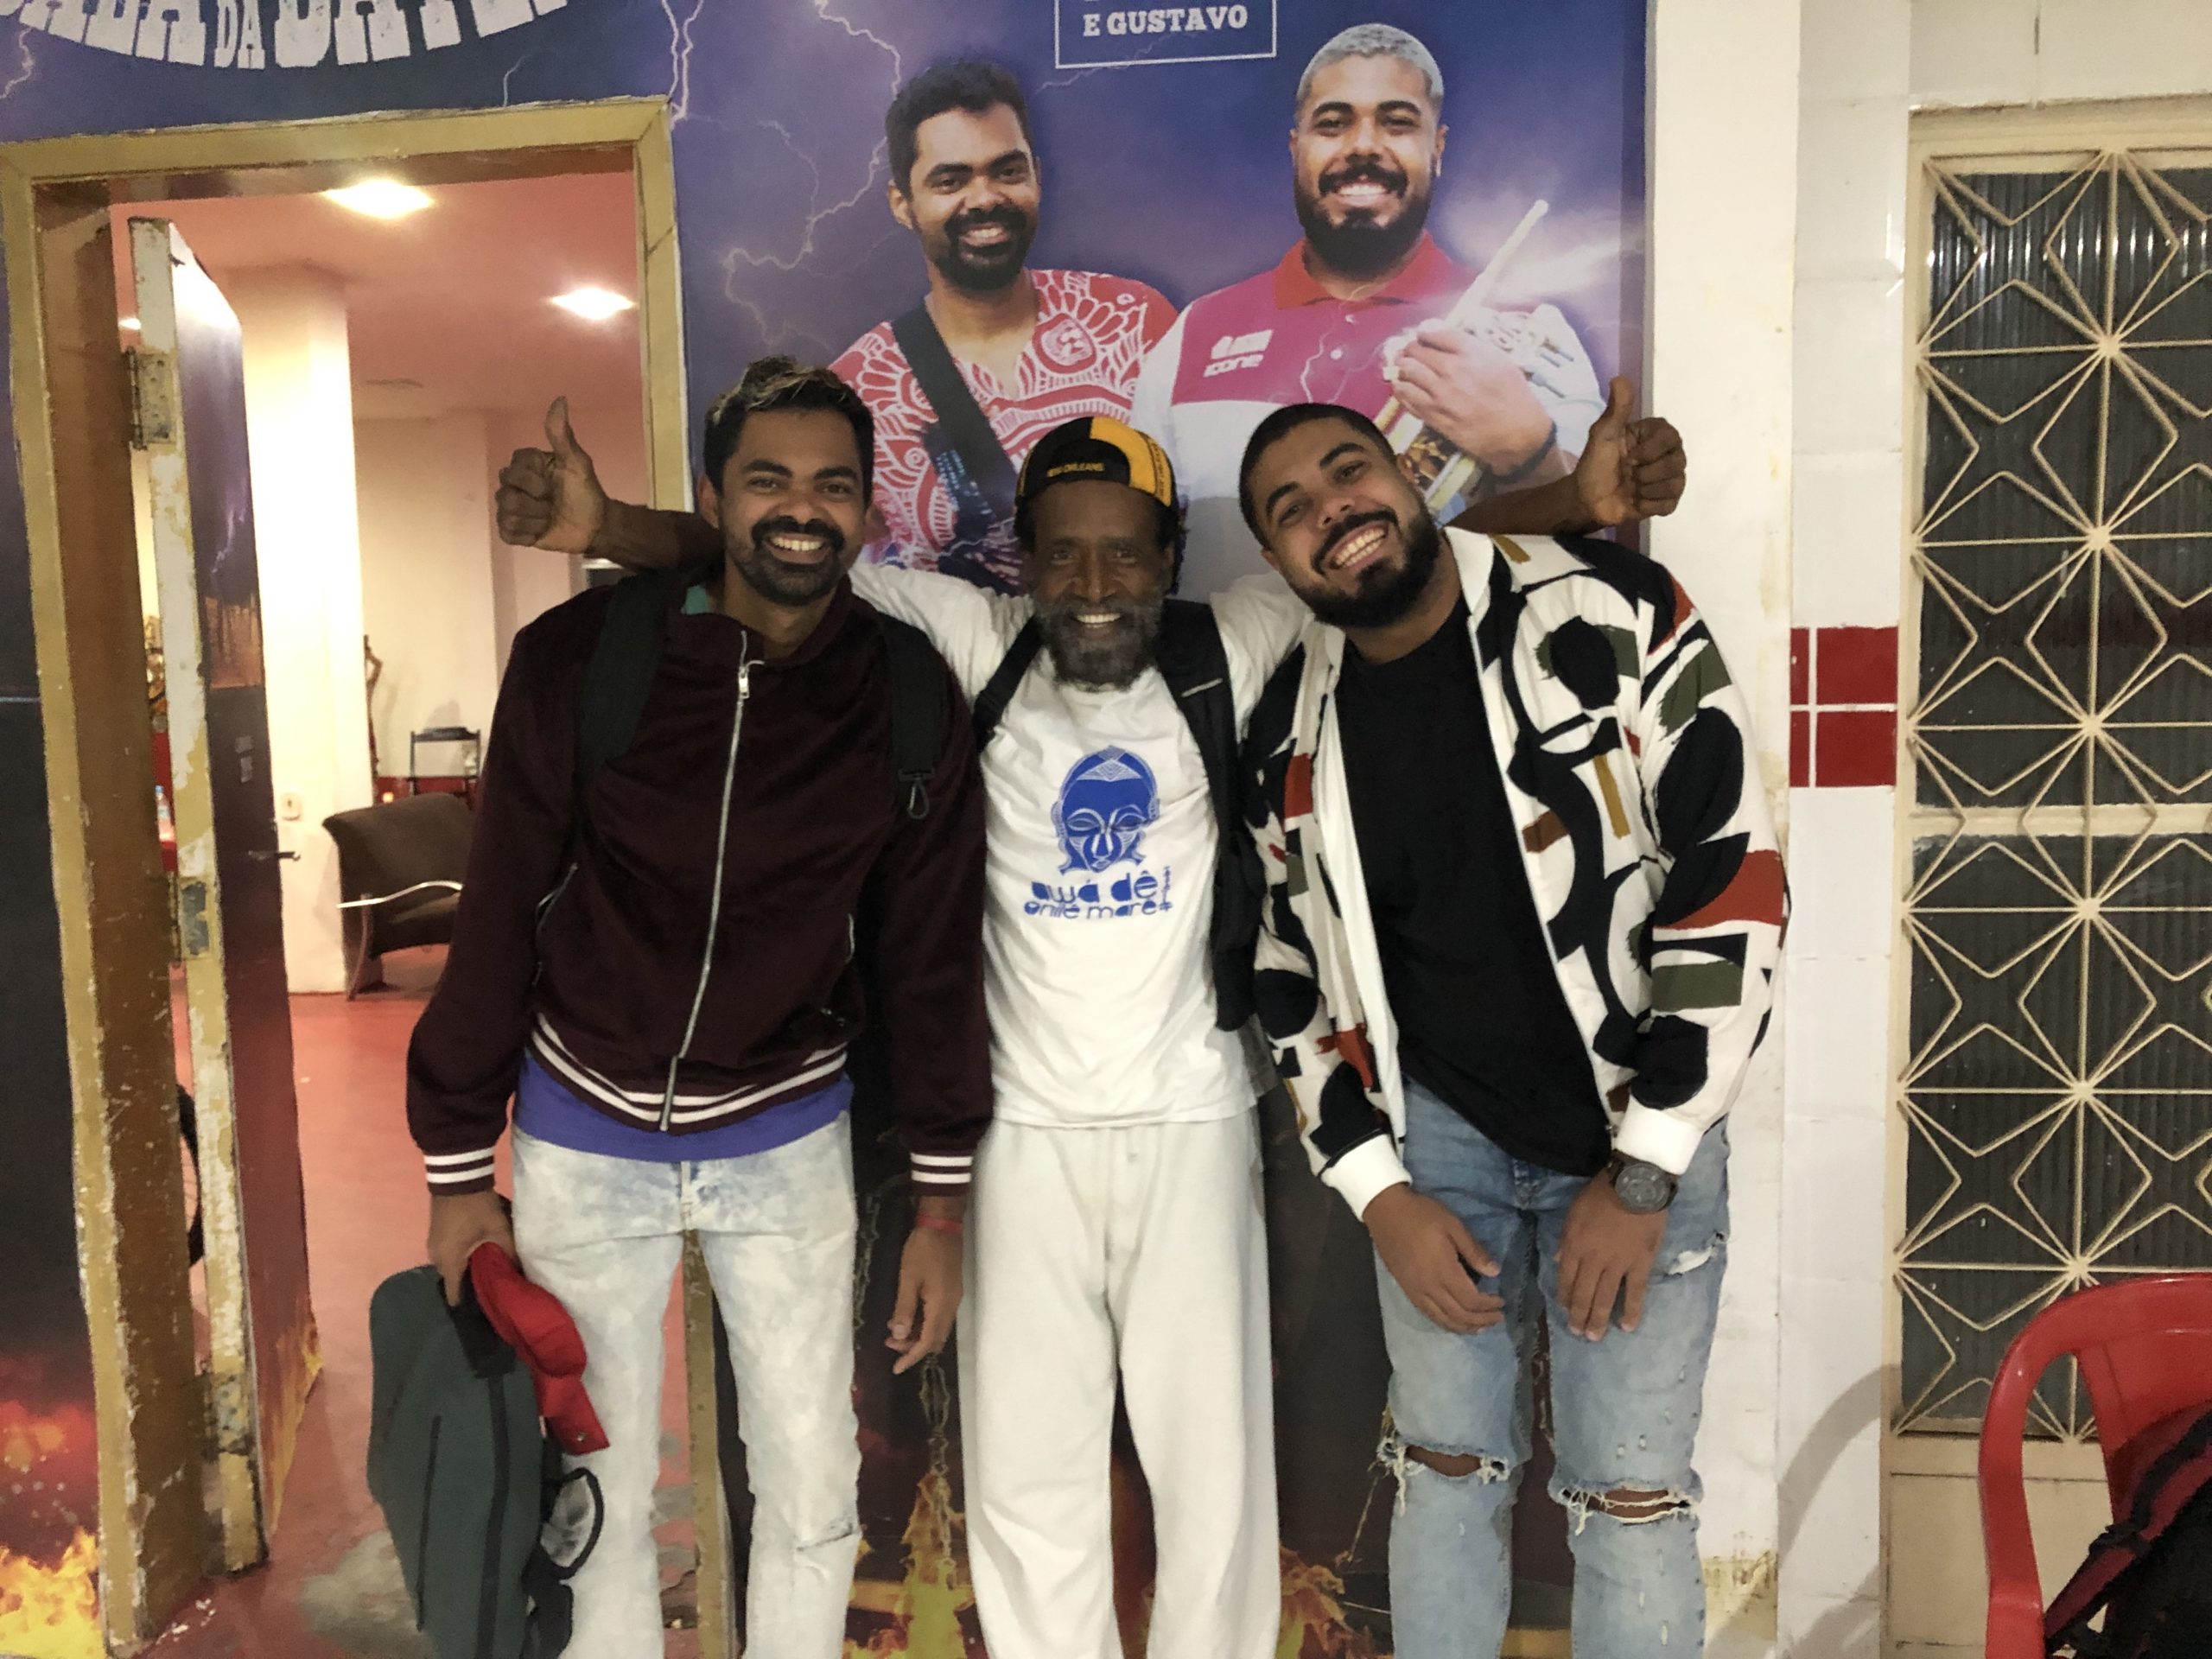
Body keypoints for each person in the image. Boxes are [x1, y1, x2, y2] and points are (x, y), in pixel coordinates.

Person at [493, 386, 1684, 1659]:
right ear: (1024, 562)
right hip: (1020, 1137)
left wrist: (1576, 503)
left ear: (1172, 556)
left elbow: (1397, 549)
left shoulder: (1231, 640)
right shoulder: (972, 637)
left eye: (1125, 552)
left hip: (1194, 1125)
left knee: (1213, 1477)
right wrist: (607, 527)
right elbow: (785, 552)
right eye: (1064, 553)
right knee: (1027, 1481)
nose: (1096, 582)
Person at [409, 360, 991, 1659]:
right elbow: (499, 907)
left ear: (867, 509)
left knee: (813, 1492)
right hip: (582, 1132)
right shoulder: (585, 659)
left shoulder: (903, 692)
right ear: (714, 499)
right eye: (768, 480)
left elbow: (932, 963)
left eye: (833, 485)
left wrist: (942, 1203)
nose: (802, 510)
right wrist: (456, 1169)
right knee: (596, 1499)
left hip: (786, 1137)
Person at [1236, 402, 1785, 1657]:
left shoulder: (1609, 612)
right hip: (1439, 1149)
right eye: (1290, 509)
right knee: (1441, 1471)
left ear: (1408, 474)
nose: (1332, 510)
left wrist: (1644, 1171)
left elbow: (1732, 884)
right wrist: (1378, 1194)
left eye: (1348, 470)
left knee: (1631, 1496)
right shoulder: (1289, 736)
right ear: (1275, 561)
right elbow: (1287, 979)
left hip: (1638, 1125)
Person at [1133, 22, 1632, 596]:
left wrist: (1527, 453)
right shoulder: (1197, 333)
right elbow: (1138, 547)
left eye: (1397, 122)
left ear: (1436, 148)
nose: (1364, 146)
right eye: (1333, 123)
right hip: (1236, 657)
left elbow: (1588, 573)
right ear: (1296, 148)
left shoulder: (1527, 333)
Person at [830, 58, 1177, 593]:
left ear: (1037, 173)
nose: (985, 198)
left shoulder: (1134, 321)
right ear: (903, 203)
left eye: (1007, 171)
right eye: (951, 181)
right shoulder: (858, 390)